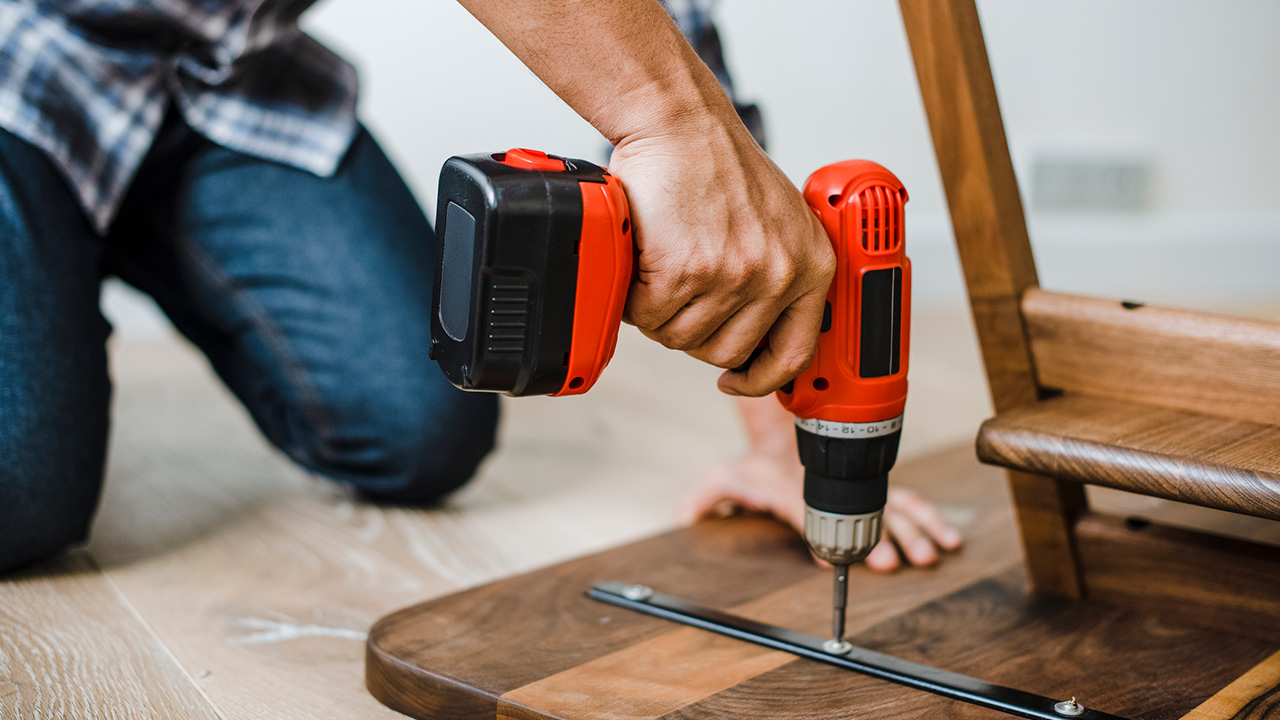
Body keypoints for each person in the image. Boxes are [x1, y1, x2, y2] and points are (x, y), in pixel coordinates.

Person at [0, 0, 955, 575]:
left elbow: (680, 42)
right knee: (21, 492)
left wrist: (782, 444)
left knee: (422, 429)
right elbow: (679, 116)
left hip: (225, 83)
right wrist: (671, 123)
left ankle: (76, 247)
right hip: (25, 58)